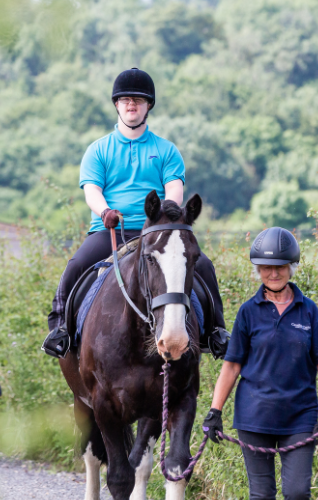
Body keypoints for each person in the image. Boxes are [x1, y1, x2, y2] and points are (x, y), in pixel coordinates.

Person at [43, 67, 229, 358]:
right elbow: (91, 189)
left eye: (139, 100)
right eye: (126, 99)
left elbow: (174, 189)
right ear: (117, 104)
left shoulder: (166, 150)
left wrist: (167, 217)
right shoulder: (98, 150)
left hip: (156, 231)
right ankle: (60, 330)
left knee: (203, 266)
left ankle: (216, 331)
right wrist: (105, 211)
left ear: (148, 106)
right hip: (111, 230)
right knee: (77, 264)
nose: (132, 104)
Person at [202, 227, 318, 500]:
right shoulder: (247, 312)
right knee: (262, 494)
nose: (274, 273)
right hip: (254, 416)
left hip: (299, 417)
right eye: (267, 267)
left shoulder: (309, 310)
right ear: (258, 270)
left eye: (280, 267)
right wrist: (214, 411)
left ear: (291, 268)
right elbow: (231, 366)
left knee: (298, 492)